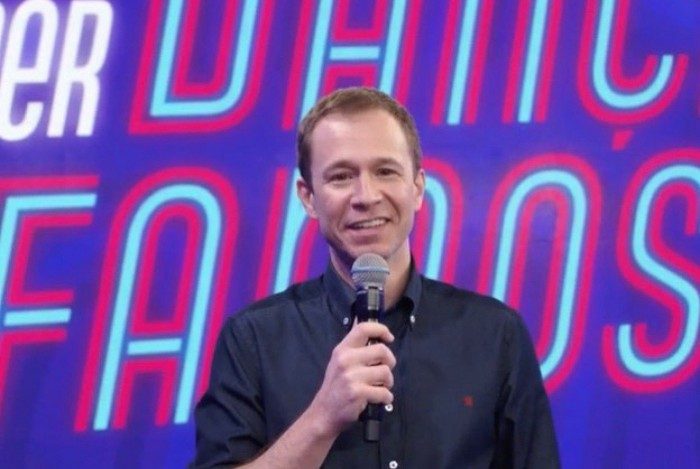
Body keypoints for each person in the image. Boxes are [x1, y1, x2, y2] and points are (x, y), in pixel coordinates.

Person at [192, 87, 560, 468]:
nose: (365, 196)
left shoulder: (495, 336)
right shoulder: (253, 339)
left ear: (417, 188)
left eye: (385, 171)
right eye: (341, 177)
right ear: (308, 197)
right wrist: (321, 420)